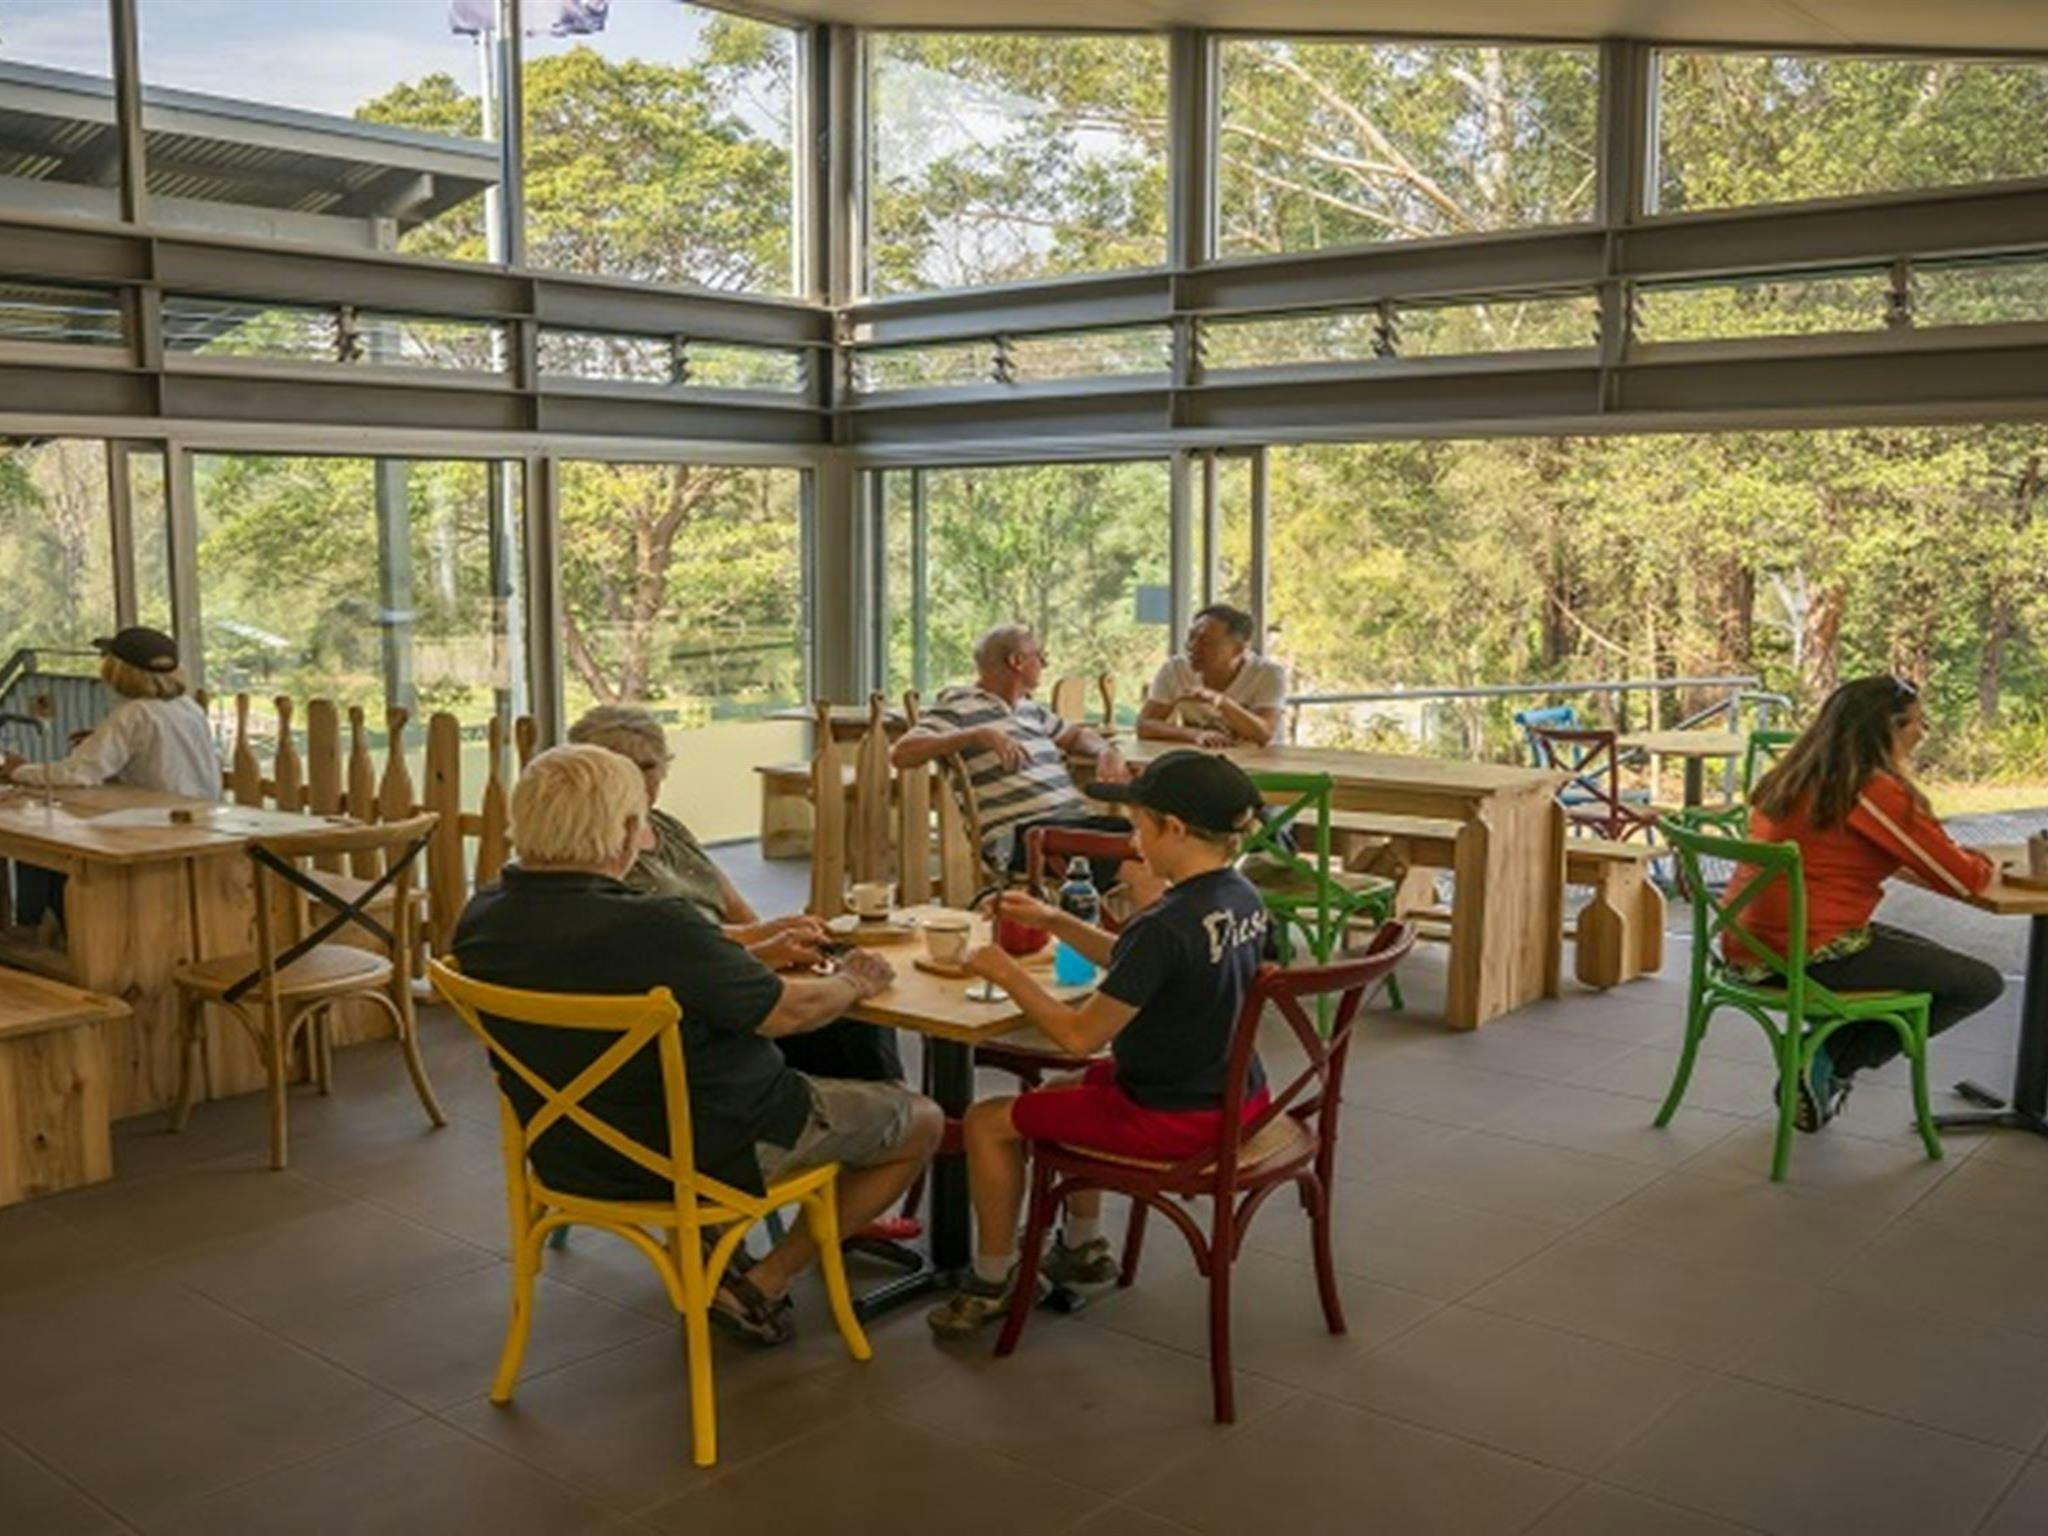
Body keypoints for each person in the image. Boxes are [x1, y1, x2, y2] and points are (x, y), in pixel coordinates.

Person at [453, 744, 942, 1346]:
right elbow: (787, 1013)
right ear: (624, 829)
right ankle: (766, 1278)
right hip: (709, 1148)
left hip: (571, 1151)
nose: (649, 839)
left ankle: (707, 1255)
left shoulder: (482, 918)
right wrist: (853, 982)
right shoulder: (656, 925)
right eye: (642, 823)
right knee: (922, 1120)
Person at [926, 750, 1274, 1337]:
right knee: (1064, 1094)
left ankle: (992, 1278)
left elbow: (1076, 1036)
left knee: (987, 1121)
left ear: (1175, 829)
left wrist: (1004, 972)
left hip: (1174, 1116)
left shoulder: (1163, 924)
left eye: (1139, 827)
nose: (1133, 842)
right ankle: (1082, 1250)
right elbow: (1137, 965)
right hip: (1239, 1097)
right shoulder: (1239, 895)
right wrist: (1054, 920)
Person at [567, 704, 903, 1086]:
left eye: (648, 767)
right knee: (845, 1003)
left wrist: (779, 936)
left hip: (729, 971)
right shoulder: (596, 856)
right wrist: (761, 952)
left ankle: (889, 1111)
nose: (639, 782)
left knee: (848, 982)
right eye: (622, 768)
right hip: (704, 999)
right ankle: (896, 1117)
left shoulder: (665, 827)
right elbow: (663, 953)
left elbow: (735, 909)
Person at [1728, 674, 2004, 1132]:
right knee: (1978, 982)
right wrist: (1988, 861)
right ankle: (1829, 1056)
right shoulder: (1871, 788)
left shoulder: (1799, 775)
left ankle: (1825, 1047)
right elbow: (1964, 879)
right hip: (1807, 953)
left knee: (1928, 961)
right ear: (1889, 728)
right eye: (1919, 722)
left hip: (1750, 948)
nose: (1923, 733)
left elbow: (1849, 853)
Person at [1, 626, 220, 932]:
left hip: (152, 827)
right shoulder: (187, 707)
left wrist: (17, 770)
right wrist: (100, 739)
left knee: (47, 847)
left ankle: (39, 930)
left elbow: (78, 773)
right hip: (196, 819)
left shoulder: (132, 714)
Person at [891, 623, 1130, 885]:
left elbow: (1076, 736)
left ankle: (1117, 923)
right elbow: (903, 753)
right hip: (1021, 836)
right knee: (1140, 850)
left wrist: (1105, 750)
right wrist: (974, 735)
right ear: (1017, 661)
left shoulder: (1031, 709)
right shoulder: (959, 705)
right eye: (1040, 656)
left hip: (1071, 824)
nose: (1045, 664)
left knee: (1153, 842)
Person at [1137, 604, 1289, 749]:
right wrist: (1196, 734)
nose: (1193, 647)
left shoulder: (1268, 674)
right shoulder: (1175, 669)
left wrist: (1220, 701)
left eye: (1206, 642)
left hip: (1260, 766)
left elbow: (1264, 734)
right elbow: (1145, 725)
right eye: (1192, 637)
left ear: (1238, 649)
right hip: (1204, 764)